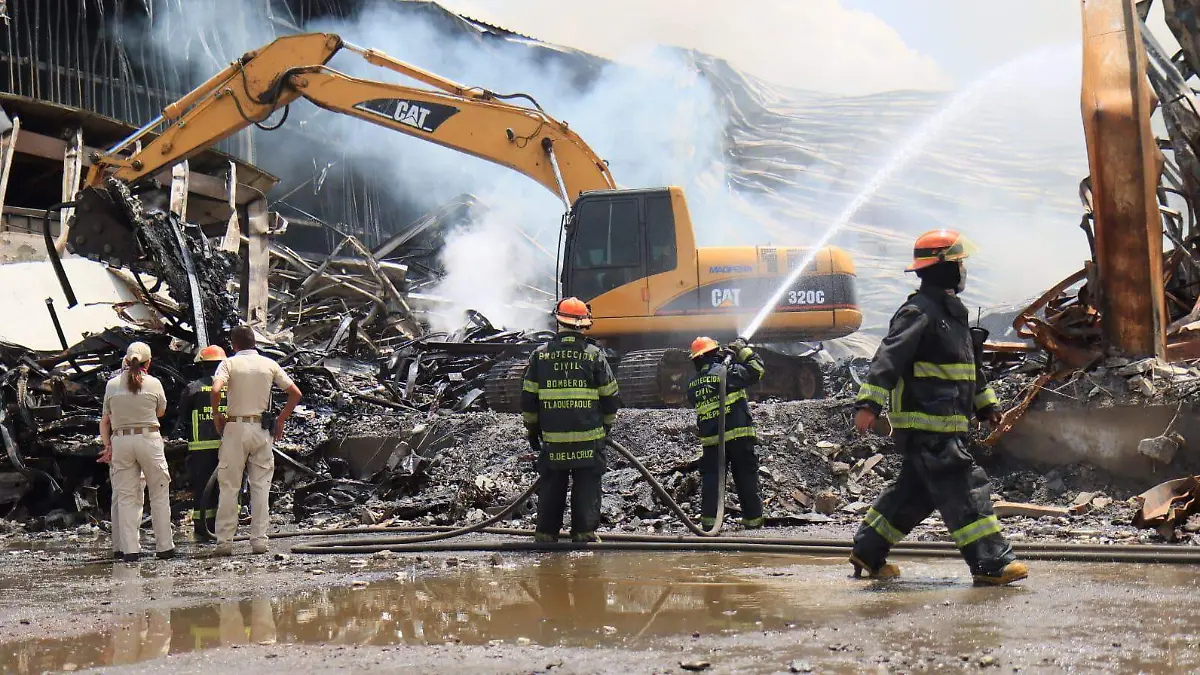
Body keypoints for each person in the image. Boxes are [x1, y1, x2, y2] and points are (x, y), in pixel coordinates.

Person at [850, 229, 1027, 586]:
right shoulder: (919, 311)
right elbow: (889, 356)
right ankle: (991, 562)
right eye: (960, 263)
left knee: (913, 494)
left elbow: (969, 370)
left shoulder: (952, 316)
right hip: (928, 424)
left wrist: (986, 406)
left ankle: (868, 551)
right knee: (965, 486)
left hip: (945, 423)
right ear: (943, 267)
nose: (964, 271)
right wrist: (868, 404)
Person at [520, 297, 620, 543]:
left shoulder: (540, 356)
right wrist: (606, 426)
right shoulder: (594, 355)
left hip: (553, 440)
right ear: (583, 324)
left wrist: (532, 429)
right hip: (589, 439)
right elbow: (610, 396)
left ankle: (546, 535)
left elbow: (528, 398)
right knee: (587, 484)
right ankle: (584, 534)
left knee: (552, 484)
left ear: (558, 321)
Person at [211, 326, 302, 556]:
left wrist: (217, 414)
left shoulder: (229, 363)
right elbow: (295, 393)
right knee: (261, 486)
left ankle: (224, 542)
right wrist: (281, 420)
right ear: (255, 343)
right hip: (261, 429)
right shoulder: (269, 364)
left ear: (234, 345)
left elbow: (216, 389)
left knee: (229, 486)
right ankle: (259, 541)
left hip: (235, 428)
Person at [99, 342, 173, 562]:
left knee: (126, 497)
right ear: (148, 363)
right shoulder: (154, 383)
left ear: (125, 360)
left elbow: (107, 416)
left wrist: (107, 445)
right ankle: (164, 547)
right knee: (159, 493)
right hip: (149, 438)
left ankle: (130, 550)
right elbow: (161, 412)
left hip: (121, 440)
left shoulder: (112, 385)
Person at [686, 336, 766, 530]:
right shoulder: (727, 373)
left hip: (711, 442)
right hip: (739, 437)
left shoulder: (692, 384)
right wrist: (742, 351)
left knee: (712, 481)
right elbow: (757, 370)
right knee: (745, 478)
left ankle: (709, 524)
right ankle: (753, 522)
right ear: (714, 354)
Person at [175, 344, 228, 541]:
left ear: (202, 365)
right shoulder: (230, 387)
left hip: (201, 446)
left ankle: (203, 528)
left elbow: (182, 416)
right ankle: (228, 525)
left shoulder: (193, 388)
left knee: (203, 487)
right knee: (229, 486)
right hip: (227, 444)